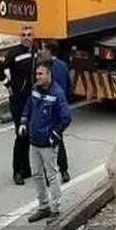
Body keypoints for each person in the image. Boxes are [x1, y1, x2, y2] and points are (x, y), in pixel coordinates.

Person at [20, 60, 71, 223]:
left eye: (40, 74)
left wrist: (54, 135)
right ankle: (43, 206)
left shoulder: (57, 93)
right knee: (36, 174)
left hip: (48, 144)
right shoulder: (35, 89)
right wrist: (23, 121)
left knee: (52, 175)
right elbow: (29, 105)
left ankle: (55, 209)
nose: (37, 77)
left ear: (49, 74)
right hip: (34, 141)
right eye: (37, 74)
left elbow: (66, 118)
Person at [0, 26, 37, 185]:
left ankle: (26, 168)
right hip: (18, 100)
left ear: (33, 37)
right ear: (20, 37)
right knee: (21, 134)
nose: (26, 37)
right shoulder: (13, 53)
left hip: (32, 99)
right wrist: (8, 85)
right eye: (23, 35)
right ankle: (17, 172)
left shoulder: (36, 51)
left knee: (29, 135)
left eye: (29, 35)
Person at [45, 42, 72, 184]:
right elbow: (69, 86)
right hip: (60, 106)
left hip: (48, 107)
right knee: (59, 138)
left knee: (46, 142)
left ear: (49, 52)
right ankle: (64, 170)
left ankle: (50, 174)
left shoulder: (46, 68)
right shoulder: (63, 65)